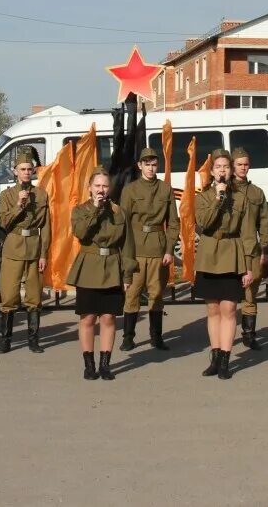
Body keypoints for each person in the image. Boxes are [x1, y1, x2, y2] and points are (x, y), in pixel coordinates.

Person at [68, 168, 137, 381]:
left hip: (112, 268)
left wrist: (127, 276)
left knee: (108, 318)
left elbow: (127, 246)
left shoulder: (119, 212)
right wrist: (95, 210)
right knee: (88, 318)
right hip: (89, 267)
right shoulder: (80, 210)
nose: (101, 190)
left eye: (105, 186)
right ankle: (89, 365)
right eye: (97, 186)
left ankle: (105, 364)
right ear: (89, 188)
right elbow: (81, 233)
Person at [194, 149, 253, 380]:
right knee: (213, 309)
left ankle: (226, 360)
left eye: (226, 167)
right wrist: (218, 198)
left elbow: (248, 232)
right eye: (218, 167)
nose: (222, 170)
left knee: (229, 308)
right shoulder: (204, 197)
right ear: (212, 172)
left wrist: (248, 265)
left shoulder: (240, 197)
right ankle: (216, 356)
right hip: (210, 254)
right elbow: (204, 223)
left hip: (232, 253)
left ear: (231, 171)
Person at [119, 147, 177, 352]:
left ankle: (156, 337)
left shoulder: (165, 189)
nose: (151, 168)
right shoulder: (130, 190)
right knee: (132, 294)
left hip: (158, 249)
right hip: (135, 247)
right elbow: (123, 222)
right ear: (140, 166)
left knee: (157, 294)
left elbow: (173, 223)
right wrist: (125, 252)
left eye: (154, 165)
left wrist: (170, 249)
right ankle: (128, 337)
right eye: (147, 164)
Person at [0, 150, 49, 354]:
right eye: (23, 169)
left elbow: (47, 225)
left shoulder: (42, 194)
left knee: (34, 297)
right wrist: (18, 204)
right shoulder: (7, 195)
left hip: (34, 247)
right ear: (15, 171)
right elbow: (3, 222)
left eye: (29, 169)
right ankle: (6, 339)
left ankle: (33, 339)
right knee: (9, 295)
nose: (26, 173)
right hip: (14, 245)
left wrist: (44, 253)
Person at [234, 148, 268, 351]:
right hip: (230, 251)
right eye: (239, 164)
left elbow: (264, 224)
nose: (243, 167)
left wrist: (265, 251)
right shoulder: (226, 190)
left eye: (246, 164)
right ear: (233, 166)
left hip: (251, 251)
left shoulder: (257, 192)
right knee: (230, 297)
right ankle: (225, 336)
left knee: (250, 295)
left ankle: (249, 335)